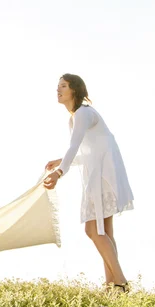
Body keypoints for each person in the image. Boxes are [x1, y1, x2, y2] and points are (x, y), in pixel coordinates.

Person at [44, 73, 134, 292]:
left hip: (103, 175)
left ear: (74, 89)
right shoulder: (76, 117)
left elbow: (74, 146)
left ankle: (120, 282)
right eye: (58, 86)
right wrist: (61, 161)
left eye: (63, 86)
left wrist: (59, 172)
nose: (58, 90)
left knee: (94, 230)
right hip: (99, 173)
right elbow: (87, 151)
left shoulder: (83, 113)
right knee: (104, 232)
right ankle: (112, 284)